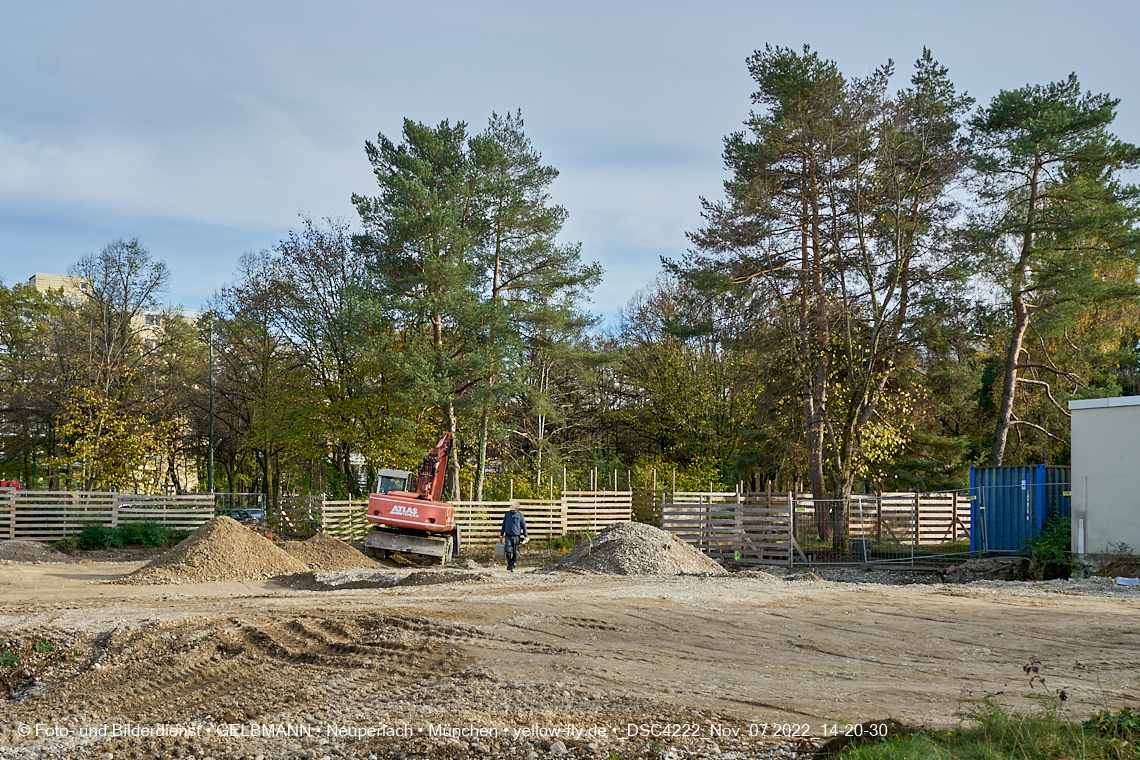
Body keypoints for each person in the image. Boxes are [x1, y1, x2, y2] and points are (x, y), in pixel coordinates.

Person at [499, 504, 528, 572]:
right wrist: (501, 535)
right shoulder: (507, 515)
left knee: (515, 552)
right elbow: (503, 525)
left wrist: (525, 536)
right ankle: (509, 563)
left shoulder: (520, 516)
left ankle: (513, 565)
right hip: (508, 536)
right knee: (508, 551)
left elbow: (524, 526)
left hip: (516, 536)